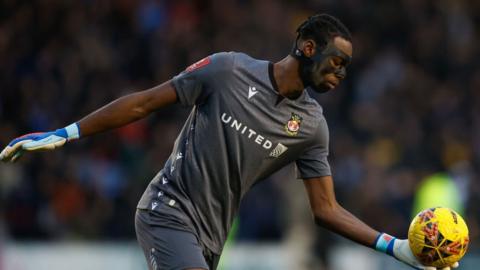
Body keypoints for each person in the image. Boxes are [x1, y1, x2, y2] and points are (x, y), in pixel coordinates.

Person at [0, 14, 459, 270]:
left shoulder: (312, 125)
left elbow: (326, 210)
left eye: (346, 68)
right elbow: (145, 103)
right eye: (335, 62)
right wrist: (68, 132)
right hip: (166, 211)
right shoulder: (227, 70)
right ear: (305, 47)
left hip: (211, 237)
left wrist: (394, 246)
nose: (340, 74)